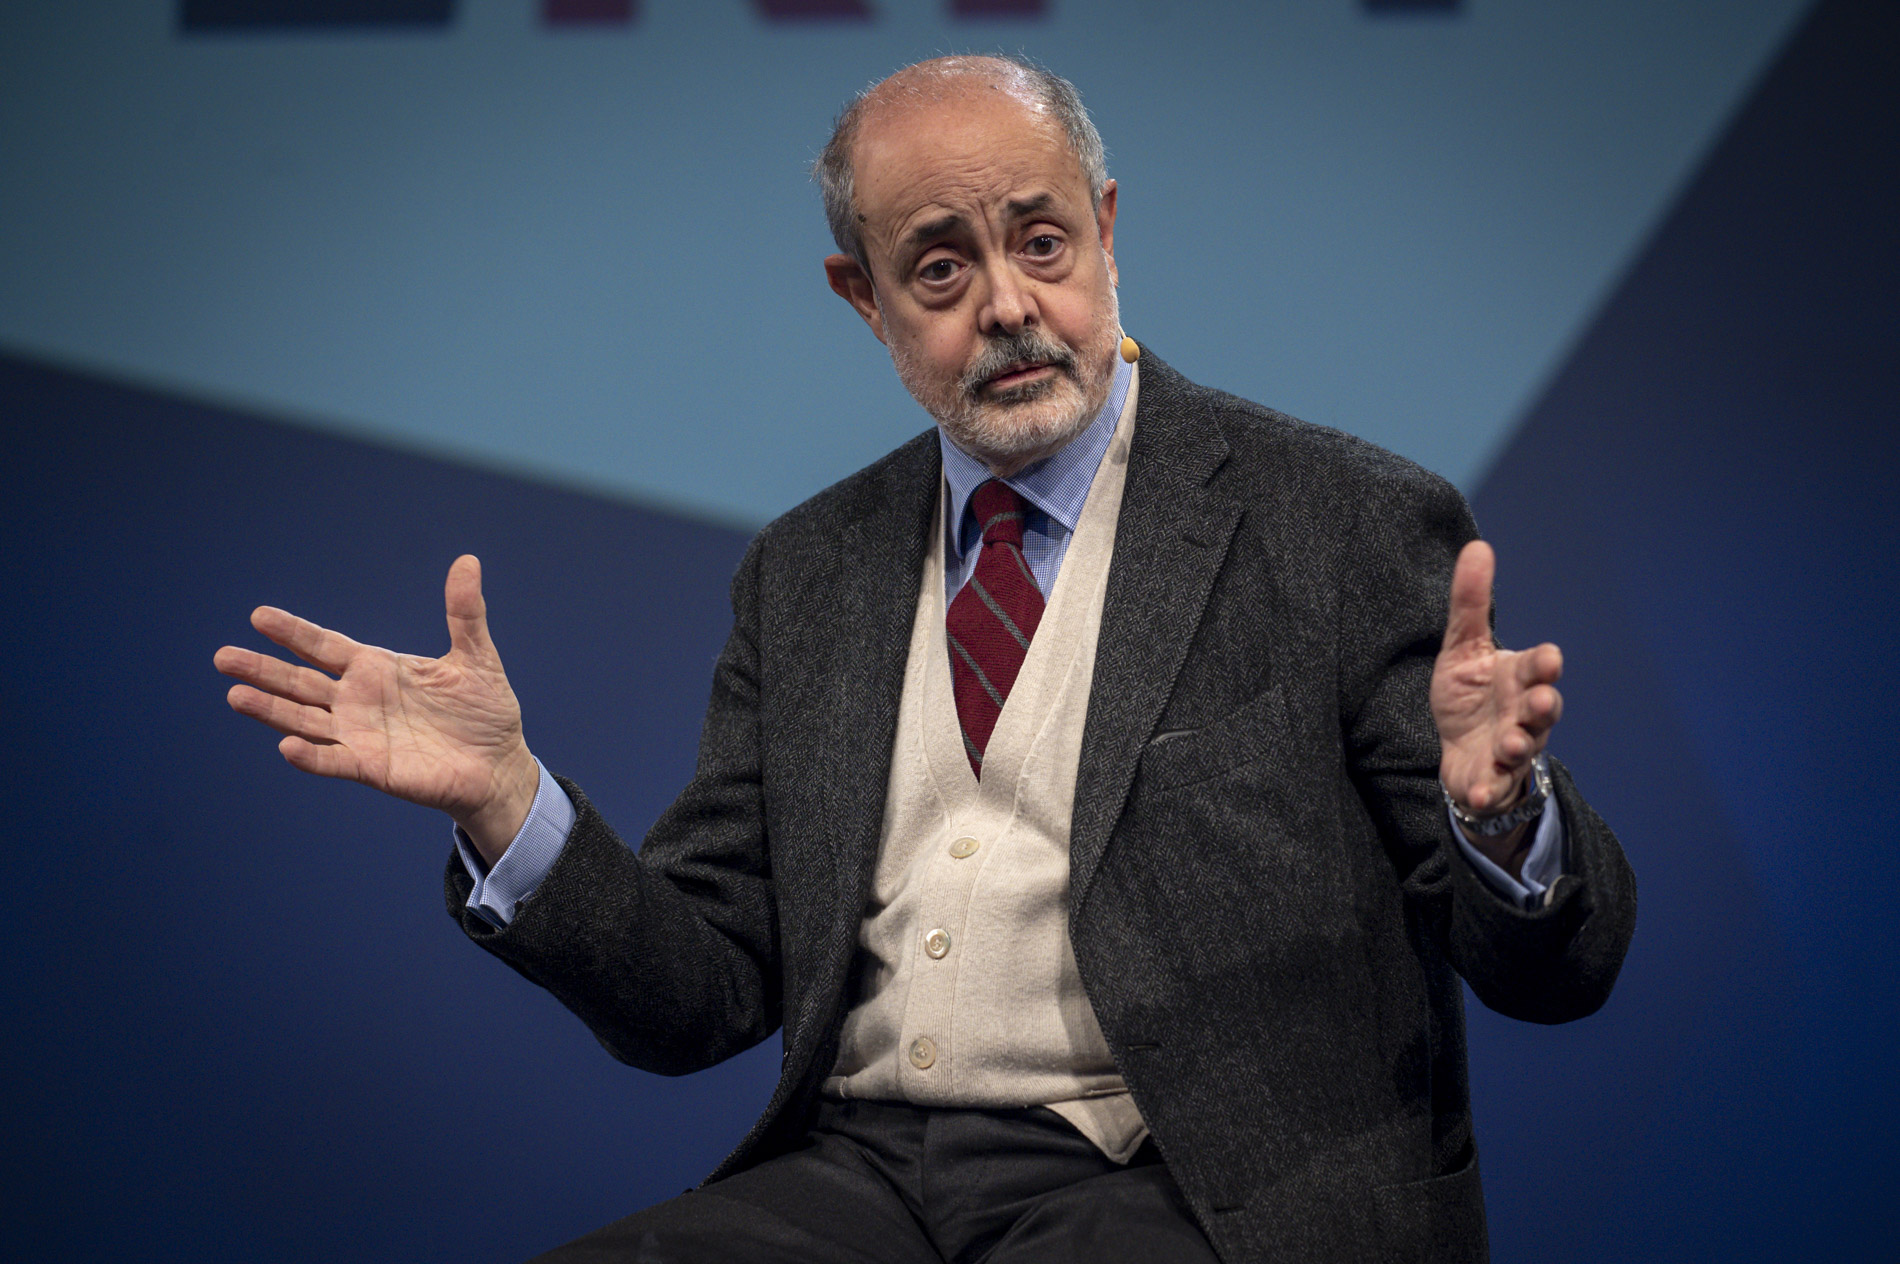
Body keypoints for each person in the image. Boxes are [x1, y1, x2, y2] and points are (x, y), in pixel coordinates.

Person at [215, 55, 1635, 1264]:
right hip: (862, 1180)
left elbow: (1559, 972)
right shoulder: (808, 570)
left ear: (1107, 228)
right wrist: (508, 806)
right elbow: (702, 994)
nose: (1007, 304)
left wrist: (1499, 819)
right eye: (942, 267)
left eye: (1043, 242)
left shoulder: (1340, 520)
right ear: (864, 296)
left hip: (1201, 1192)